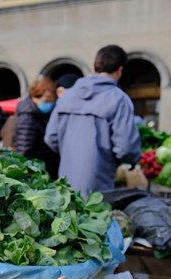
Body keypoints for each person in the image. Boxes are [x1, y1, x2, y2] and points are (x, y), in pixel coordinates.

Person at [45, 44, 141, 195]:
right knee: (93, 216)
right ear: (120, 70)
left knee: (68, 215)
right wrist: (127, 161)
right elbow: (125, 147)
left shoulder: (68, 96)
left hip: (65, 180)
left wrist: (71, 153)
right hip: (99, 182)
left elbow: (51, 137)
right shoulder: (118, 99)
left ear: (95, 66)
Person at [14, 77, 60, 179]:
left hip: (46, 167)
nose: (49, 104)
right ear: (35, 97)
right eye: (46, 100)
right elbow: (23, 151)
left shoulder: (41, 114)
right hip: (38, 172)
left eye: (52, 101)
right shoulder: (28, 117)